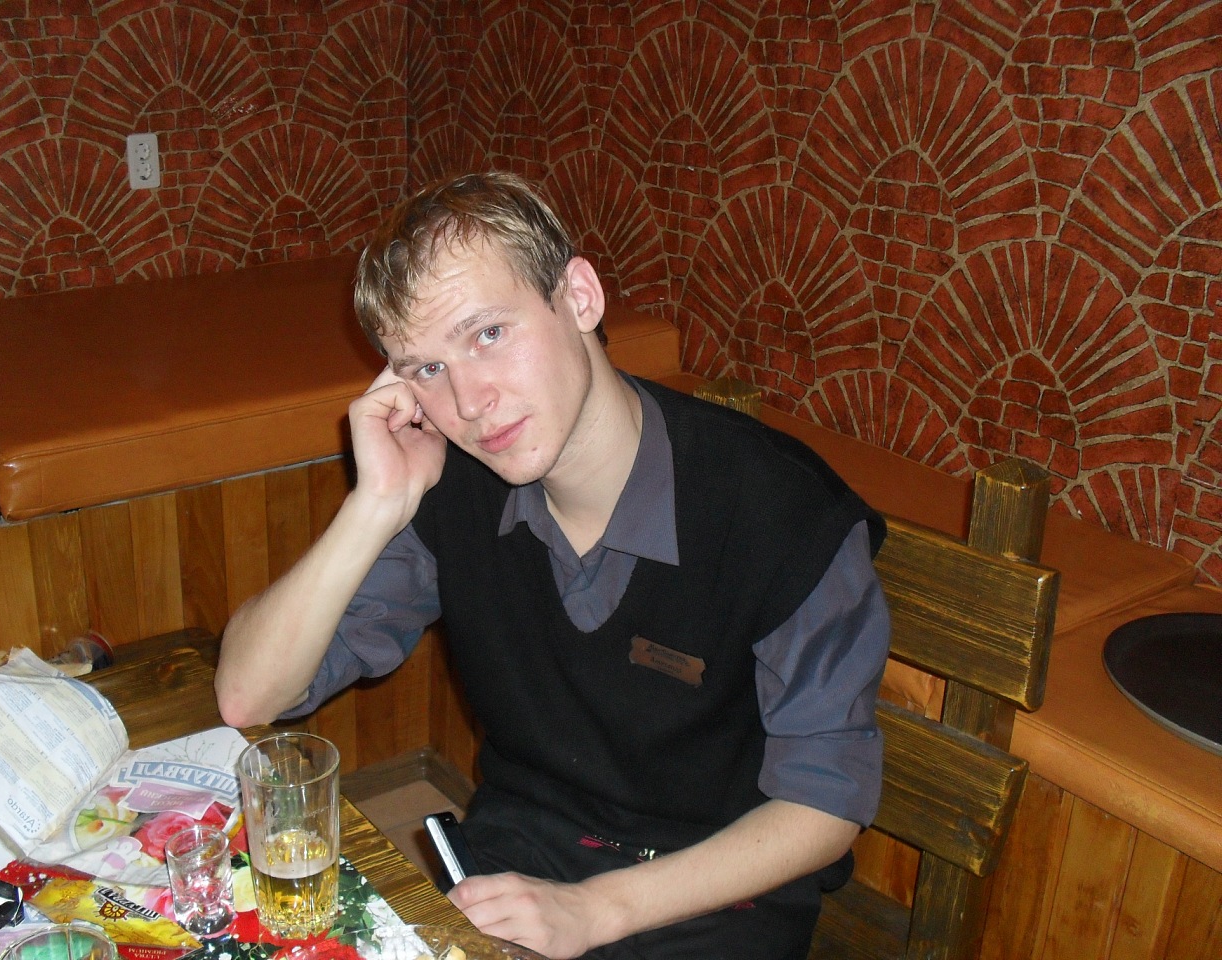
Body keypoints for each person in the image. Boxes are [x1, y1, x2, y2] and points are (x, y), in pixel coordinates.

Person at [215, 171, 890, 960]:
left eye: (487, 334)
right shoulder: (455, 486)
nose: (469, 402)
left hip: (717, 895)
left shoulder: (781, 512)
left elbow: (826, 803)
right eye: (426, 368)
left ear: (579, 297)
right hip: (521, 861)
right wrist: (375, 506)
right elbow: (250, 694)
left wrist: (598, 910)